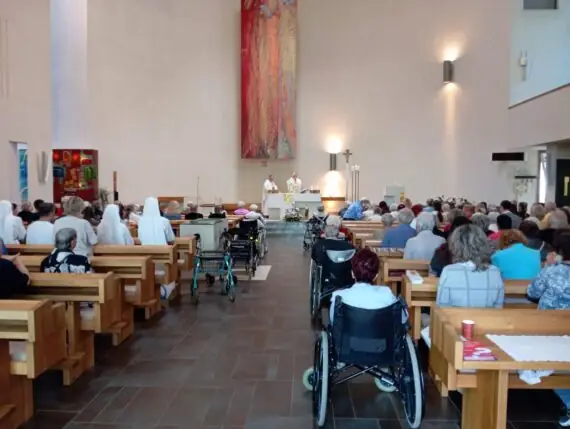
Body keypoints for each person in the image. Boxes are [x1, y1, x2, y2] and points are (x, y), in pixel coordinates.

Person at [527, 232, 570, 426]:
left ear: (558, 251)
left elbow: (533, 293)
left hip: (547, 328)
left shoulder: (552, 271)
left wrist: (547, 266)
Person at [436, 224, 504, 308]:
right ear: (483, 243)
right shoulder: (495, 271)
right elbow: (498, 306)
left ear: (455, 245)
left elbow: (442, 306)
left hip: (456, 316)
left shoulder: (449, 271)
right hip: (488, 316)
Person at [329, 247, 397, 323]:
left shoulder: (338, 297)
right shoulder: (387, 294)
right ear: (376, 276)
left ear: (352, 274)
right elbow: (401, 319)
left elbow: (334, 322)